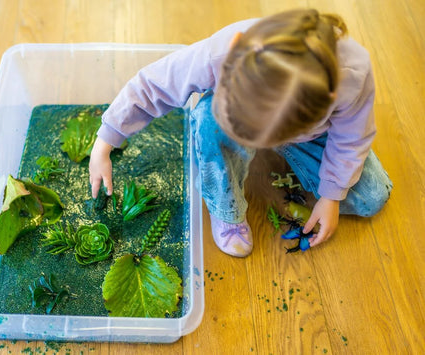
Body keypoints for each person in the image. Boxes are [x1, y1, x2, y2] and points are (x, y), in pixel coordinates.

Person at [88, 8, 393, 257]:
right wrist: (105, 141)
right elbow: (152, 84)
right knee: (209, 122)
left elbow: (352, 137)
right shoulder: (221, 53)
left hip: (310, 135)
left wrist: (332, 194)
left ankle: (306, 159)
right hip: (243, 117)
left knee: (372, 198)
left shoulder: (353, 75)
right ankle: (227, 209)